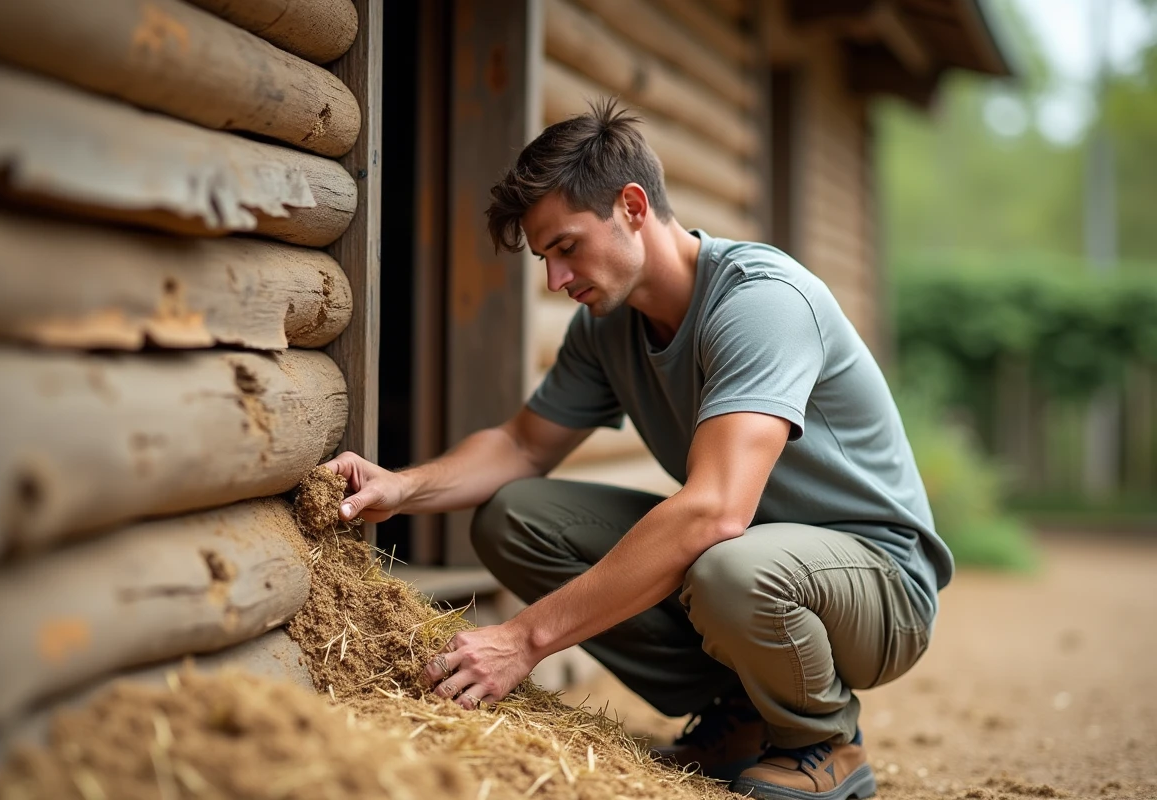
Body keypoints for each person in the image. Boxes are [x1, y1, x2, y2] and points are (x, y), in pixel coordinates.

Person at [321, 100, 950, 800]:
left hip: (880, 586)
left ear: (631, 206)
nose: (556, 280)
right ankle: (744, 711)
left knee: (726, 562)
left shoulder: (761, 304)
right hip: (756, 560)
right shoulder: (607, 325)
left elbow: (713, 512)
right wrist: (403, 486)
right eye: (544, 259)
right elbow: (522, 446)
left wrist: (525, 639)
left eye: (566, 247)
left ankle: (823, 742)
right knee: (515, 515)